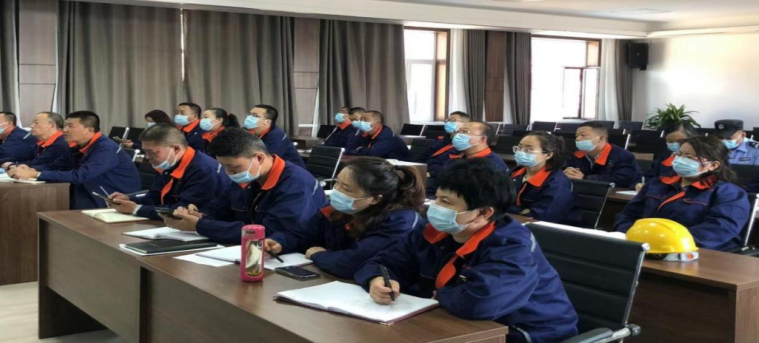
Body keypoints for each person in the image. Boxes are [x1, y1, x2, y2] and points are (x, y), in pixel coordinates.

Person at [354, 160, 578, 342]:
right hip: (456, 323)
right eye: (437, 198)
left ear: (483, 213)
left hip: (526, 334)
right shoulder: (432, 232)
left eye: (446, 202)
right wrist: (377, 279)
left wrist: (438, 294)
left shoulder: (511, 245)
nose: (435, 207)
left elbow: (481, 303)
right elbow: (381, 262)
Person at [265, 157, 424, 279]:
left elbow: (353, 263)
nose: (336, 191)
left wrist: (318, 255)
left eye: (346, 188)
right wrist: (279, 242)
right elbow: (302, 234)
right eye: (337, 183)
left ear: (375, 199)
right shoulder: (339, 210)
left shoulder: (399, 222)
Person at [164, 128, 326, 245]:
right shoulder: (248, 176)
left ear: (259, 158)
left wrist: (200, 226)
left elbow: (270, 232)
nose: (229, 172)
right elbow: (220, 210)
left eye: (233, 167)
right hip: (244, 248)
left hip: (293, 255)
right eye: (224, 166)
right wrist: (199, 216)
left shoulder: (296, 183)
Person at [614, 136, 750, 251]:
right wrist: (631, 234)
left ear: (713, 165)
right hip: (646, 246)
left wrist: (664, 240)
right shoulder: (658, 183)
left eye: (689, 157)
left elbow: (719, 230)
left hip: (695, 252)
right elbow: (628, 215)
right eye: (679, 154)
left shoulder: (729, 193)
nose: (680, 159)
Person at [9, 111, 141, 209]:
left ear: (89, 130)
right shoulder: (78, 146)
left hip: (109, 199)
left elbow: (80, 176)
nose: (65, 130)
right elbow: (57, 165)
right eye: (65, 125)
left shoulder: (106, 149)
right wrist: (31, 169)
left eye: (70, 126)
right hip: (86, 192)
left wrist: (35, 174)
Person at [107, 124, 229, 220]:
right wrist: (129, 199)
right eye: (145, 151)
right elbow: (155, 196)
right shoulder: (171, 163)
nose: (147, 157)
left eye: (152, 152)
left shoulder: (204, 170)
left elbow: (183, 210)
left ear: (176, 149)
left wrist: (137, 209)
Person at [507, 131, 580, 225]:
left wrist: (507, 209)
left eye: (529, 149)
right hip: (513, 223)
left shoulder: (557, 183)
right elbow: (495, 201)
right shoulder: (514, 173)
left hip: (550, 229)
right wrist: (520, 211)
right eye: (519, 147)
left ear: (548, 155)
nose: (520, 152)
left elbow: (540, 216)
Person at [425, 120, 507, 198]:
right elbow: (437, 182)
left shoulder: (493, 165)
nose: (458, 135)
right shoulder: (456, 158)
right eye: (459, 131)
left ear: (482, 139)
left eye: (465, 132)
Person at [564, 121, 641, 188]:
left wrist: (585, 178)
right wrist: (567, 173)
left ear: (601, 138)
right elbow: (564, 169)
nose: (578, 139)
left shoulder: (623, 156)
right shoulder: (577, 154)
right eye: (576, 135)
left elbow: (622, 180)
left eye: (583, 135)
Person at [0, 112, 70, 171]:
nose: (31, 126)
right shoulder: (41, 141)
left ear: (52, 125)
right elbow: (24, 156)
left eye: (36, 123)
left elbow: (37, 163)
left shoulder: (61, 143)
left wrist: (12, 165)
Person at [635, 123, 697, 192]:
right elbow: (648, 178)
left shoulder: (698, 162)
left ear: (692, 139)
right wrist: (641, 185)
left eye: (680, 141)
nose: (675, 144)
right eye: (670, 141)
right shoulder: (664, 159)